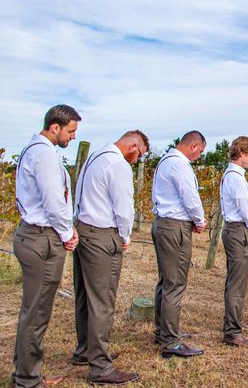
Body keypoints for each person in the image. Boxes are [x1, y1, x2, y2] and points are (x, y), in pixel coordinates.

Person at [71, 130, 149, 384]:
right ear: (133, 146)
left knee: (85, 296)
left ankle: (87, 350)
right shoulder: (118, 164)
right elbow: (124, 207)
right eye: (140, 155)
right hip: (103, 234)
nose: (136, 161)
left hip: (84, 229)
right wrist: (125, 236)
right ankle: (101, 367)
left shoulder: (96, 156)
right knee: (102, 300)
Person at [12, 104, 81, 388]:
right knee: (37, 311)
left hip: (36, 234)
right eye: (71, 131)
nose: (73, 137)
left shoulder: (35, 150)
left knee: (35, 310)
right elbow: (54, 201)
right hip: (42, 238)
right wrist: (67, 233)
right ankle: (27, 379)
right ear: (55, 127)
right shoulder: (44, 155)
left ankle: (28, 373)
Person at [152, 131, 207, 358]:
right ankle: (171, 341)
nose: (199, 156)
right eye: (200, 151)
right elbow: (190, 197)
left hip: (163, 223)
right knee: (175, 283)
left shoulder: (165, 161)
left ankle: (163, 331)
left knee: (165, 280)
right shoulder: (180, 165)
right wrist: (199, 219)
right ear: (193, 145)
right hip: (175, 226)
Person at [220, 136, 248, 348]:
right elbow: (245, 208)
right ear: (242, 153)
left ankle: (232, 327)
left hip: (236, 230)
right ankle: (232, 332)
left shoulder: (233, 175)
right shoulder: (235, 178)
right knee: (237, 284)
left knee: (235, 281)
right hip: (238, 230)